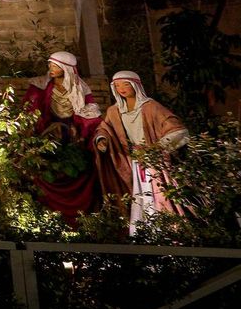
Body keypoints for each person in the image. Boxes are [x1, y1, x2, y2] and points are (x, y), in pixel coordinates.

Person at [92, 70, 189, 231]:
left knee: (159, 194)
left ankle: (166, 229)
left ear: (135, 86)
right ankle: (141, 229)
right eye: (117, 86)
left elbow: (176, 129)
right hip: (131, 160)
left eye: (125, 84)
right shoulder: (114, 111)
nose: (121, 89)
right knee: (138, 195)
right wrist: (102, 139)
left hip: (152, 159)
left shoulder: (151, 107)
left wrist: (157, 147)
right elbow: (104, 128)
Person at [22, 51, 103, 222]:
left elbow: (90, 115)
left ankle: (83, 215)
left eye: (56, 66)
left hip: (73, 134)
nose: (51, 68)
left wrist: (78, 130)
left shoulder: (80, 89)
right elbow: (30, 111)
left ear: (66, 69)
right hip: (47, 134)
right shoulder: (40, 86)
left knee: (81, 167)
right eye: (50, 65)